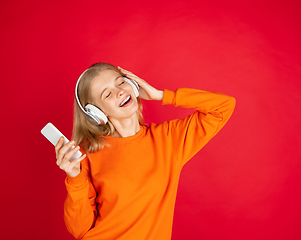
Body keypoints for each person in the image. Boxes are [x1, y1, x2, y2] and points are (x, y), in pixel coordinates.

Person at [55, 62, 236, 240]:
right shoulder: (86, 156)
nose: (120, 91)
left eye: (120, 82)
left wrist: (161, 95)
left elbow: (223, 107)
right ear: (97, 113)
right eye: (108, 94)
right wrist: (74, 176)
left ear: (133, 84)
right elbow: (80, 230)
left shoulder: (167, 139)